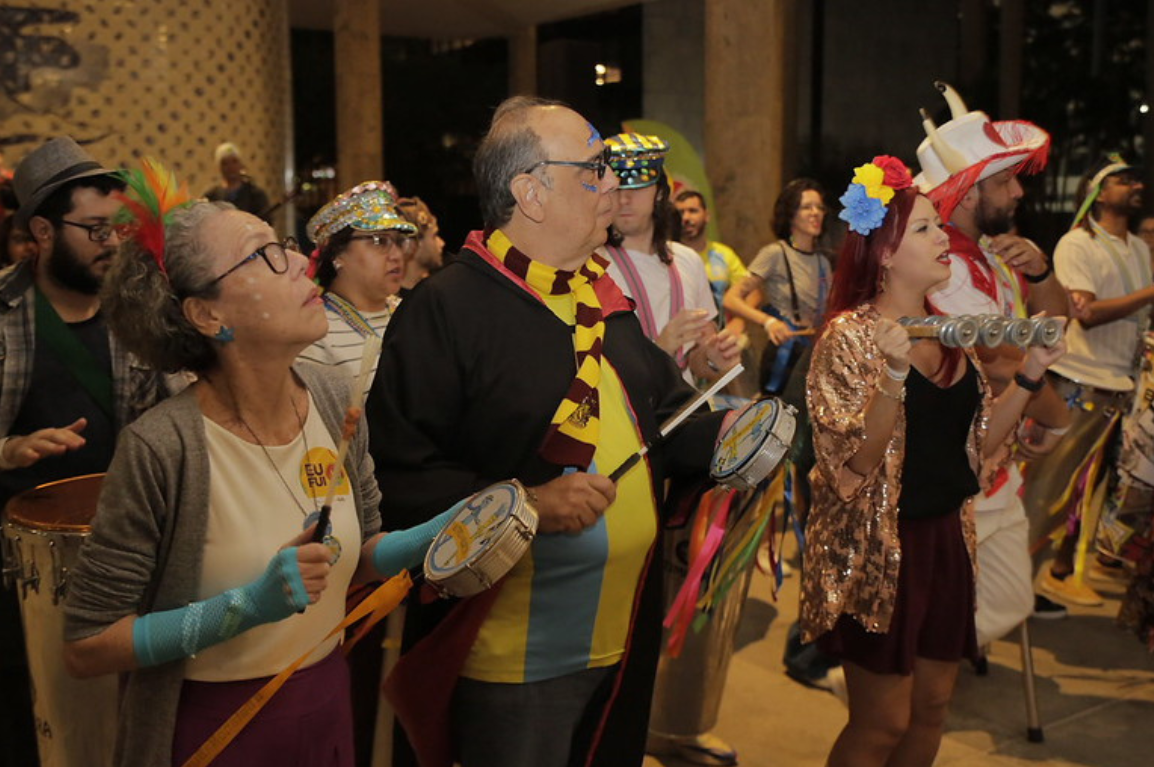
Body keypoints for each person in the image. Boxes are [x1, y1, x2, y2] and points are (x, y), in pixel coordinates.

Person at [366, 96, 730, 767]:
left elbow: (667, 417)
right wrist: (526, 503)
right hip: (513, 658)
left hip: (623, 633)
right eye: (593, 170)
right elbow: (399, 477)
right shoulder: (447, 309)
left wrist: (733, 438)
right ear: (530, 193)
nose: (613, 184)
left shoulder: (601, 297)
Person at [60, 176, 456, 767]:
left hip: (326, 702)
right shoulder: (161, 448)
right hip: (217, 729)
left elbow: (357, 554)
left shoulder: (331, 396)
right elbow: (87, 645)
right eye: (264, 254)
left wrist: (436, 536)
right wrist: (244, 606)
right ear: (207, 313)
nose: (299, 261)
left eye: (287, 245)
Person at [802, 156, 1064, 767]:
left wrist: (1031, 373)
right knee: (882, 724)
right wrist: (892, 375)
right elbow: (856, 462)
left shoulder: (948, 333)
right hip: (877, 549)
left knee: (932, 709)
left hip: (946, 539)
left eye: (939, 226)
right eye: (924, 228)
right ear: (885, 254)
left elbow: (978, 448)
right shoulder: (849, 337)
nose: (943, 237)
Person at [0, 137, 166, 767]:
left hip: (120, 551)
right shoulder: (4, 313)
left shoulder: (136, 314)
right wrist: (10, 448)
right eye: (95, 229)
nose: (112, 243)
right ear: (42, 231)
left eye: (119, 228)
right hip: (17, 565)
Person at [915, 82, 1074, 630]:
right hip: (959, 464)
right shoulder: (949, 267)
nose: (1018, 192)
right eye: (1004, 181)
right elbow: (1002, 362)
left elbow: (1057, 322)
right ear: (966, 193)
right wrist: (1058, 420)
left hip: (992, 463)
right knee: (948, 617)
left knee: (999, 605)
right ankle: (890, 674)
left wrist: (1040, 271)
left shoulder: (990, 250)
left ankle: (909, 668)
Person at [1025, 156, 1154, 607]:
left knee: (1088, 492)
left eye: (1136, 179)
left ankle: (1050, 577)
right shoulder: (1076, 244)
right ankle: (1007, 587)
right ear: (1097, 193)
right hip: (1078, 383)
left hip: (1122, 386)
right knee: (1048, 491)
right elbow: (1089, 314)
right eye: (1123, 181)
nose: (1136, 186)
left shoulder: (1137, 248)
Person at [600, 133, 740, 383]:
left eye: (637, 187)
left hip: (683, 405)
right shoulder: (590, 265)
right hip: (625, 405)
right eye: (616, 189)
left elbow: (696, 361)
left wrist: (713, 358)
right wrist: (661, 348)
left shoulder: (688, 260)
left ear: (660, 193)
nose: (624, 199)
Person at [299, 180, 416, 396]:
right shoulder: (315, 331)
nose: (396, 255)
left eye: (399, 242)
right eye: (379, 241)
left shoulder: (412, 313)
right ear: (338, 254)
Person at [723, 178, 832, 395]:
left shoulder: (823, 262)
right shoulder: (775, 253)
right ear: (791, 214)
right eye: (807, 207)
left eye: (819, 207)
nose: (815, 213)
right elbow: (731, 299)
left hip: (813, 356)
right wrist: (769, 322)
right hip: (783, 360)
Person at [674, 189, 747, 326]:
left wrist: (739, 321)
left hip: (720, 333)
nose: (686, 218)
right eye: (680, 213)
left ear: (707, 216)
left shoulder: (723, 253)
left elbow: (753, 292)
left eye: (693, 211)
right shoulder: (667, 255)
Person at [204, 141, 271, 220]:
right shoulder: (211, 196)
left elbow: (266, 222)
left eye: (234, 162)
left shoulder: (256, 195)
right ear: (219, 167)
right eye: (225, 163)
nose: (231, 167)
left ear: (241, 164)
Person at [396, 196, 446, 296]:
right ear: (414, 243)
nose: (442, 243)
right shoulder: (384, 301)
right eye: (434, 236)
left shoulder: (440, 292)